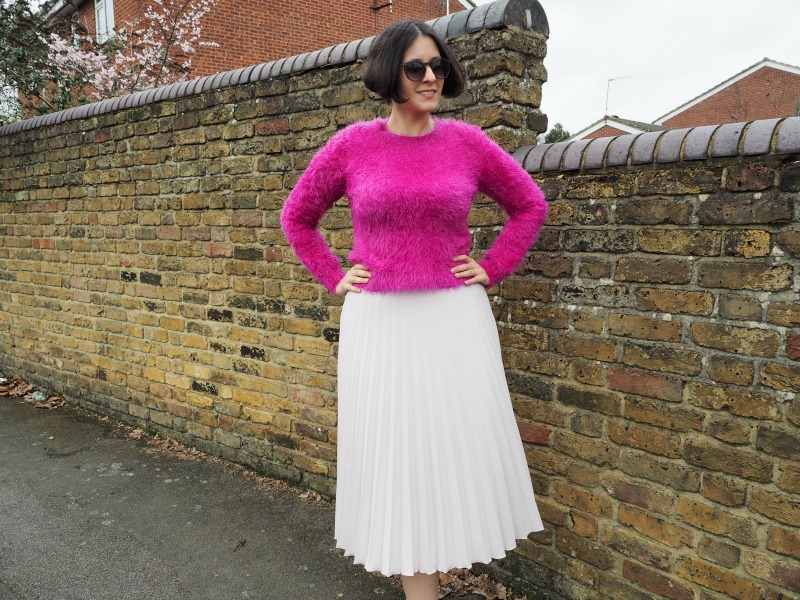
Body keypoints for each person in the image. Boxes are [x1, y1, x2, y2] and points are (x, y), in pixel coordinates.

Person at [280, 19, 548, 600]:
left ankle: (447, 561)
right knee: (398, 454)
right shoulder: (351, 145)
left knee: (453, 448)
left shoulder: (467, 142)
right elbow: (296, 217)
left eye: (438, 66)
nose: (431, 77)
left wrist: (494, 266)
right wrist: (333, 274)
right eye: (416, 67)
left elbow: (530, 205)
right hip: (380, 322)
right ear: (388, 74)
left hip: (454, 318)